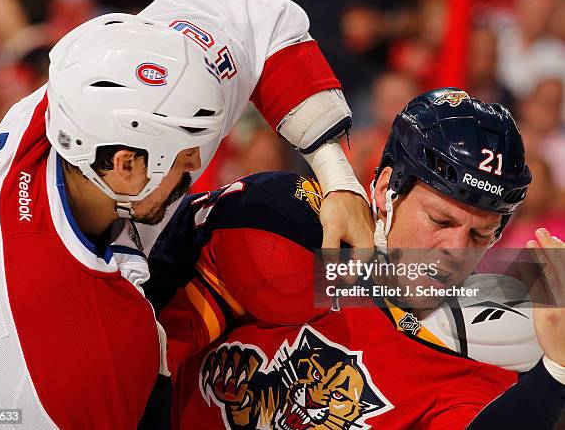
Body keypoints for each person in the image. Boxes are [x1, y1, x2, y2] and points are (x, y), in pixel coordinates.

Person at [0, 0, 374, 429]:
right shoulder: (83, 358)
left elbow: (263, 26)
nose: (198, 161)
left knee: (284, 217)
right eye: (185, 153)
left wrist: (340, 180)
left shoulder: (73, 107)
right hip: (14, 402)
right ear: (126, 166)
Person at [144, 88, 565, 429]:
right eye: (440, 220)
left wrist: (558, 372)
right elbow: (142, 324)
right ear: (386, 189)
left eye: (480, 234)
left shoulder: (474, 349)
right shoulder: (289, 230)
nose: (457, 249)